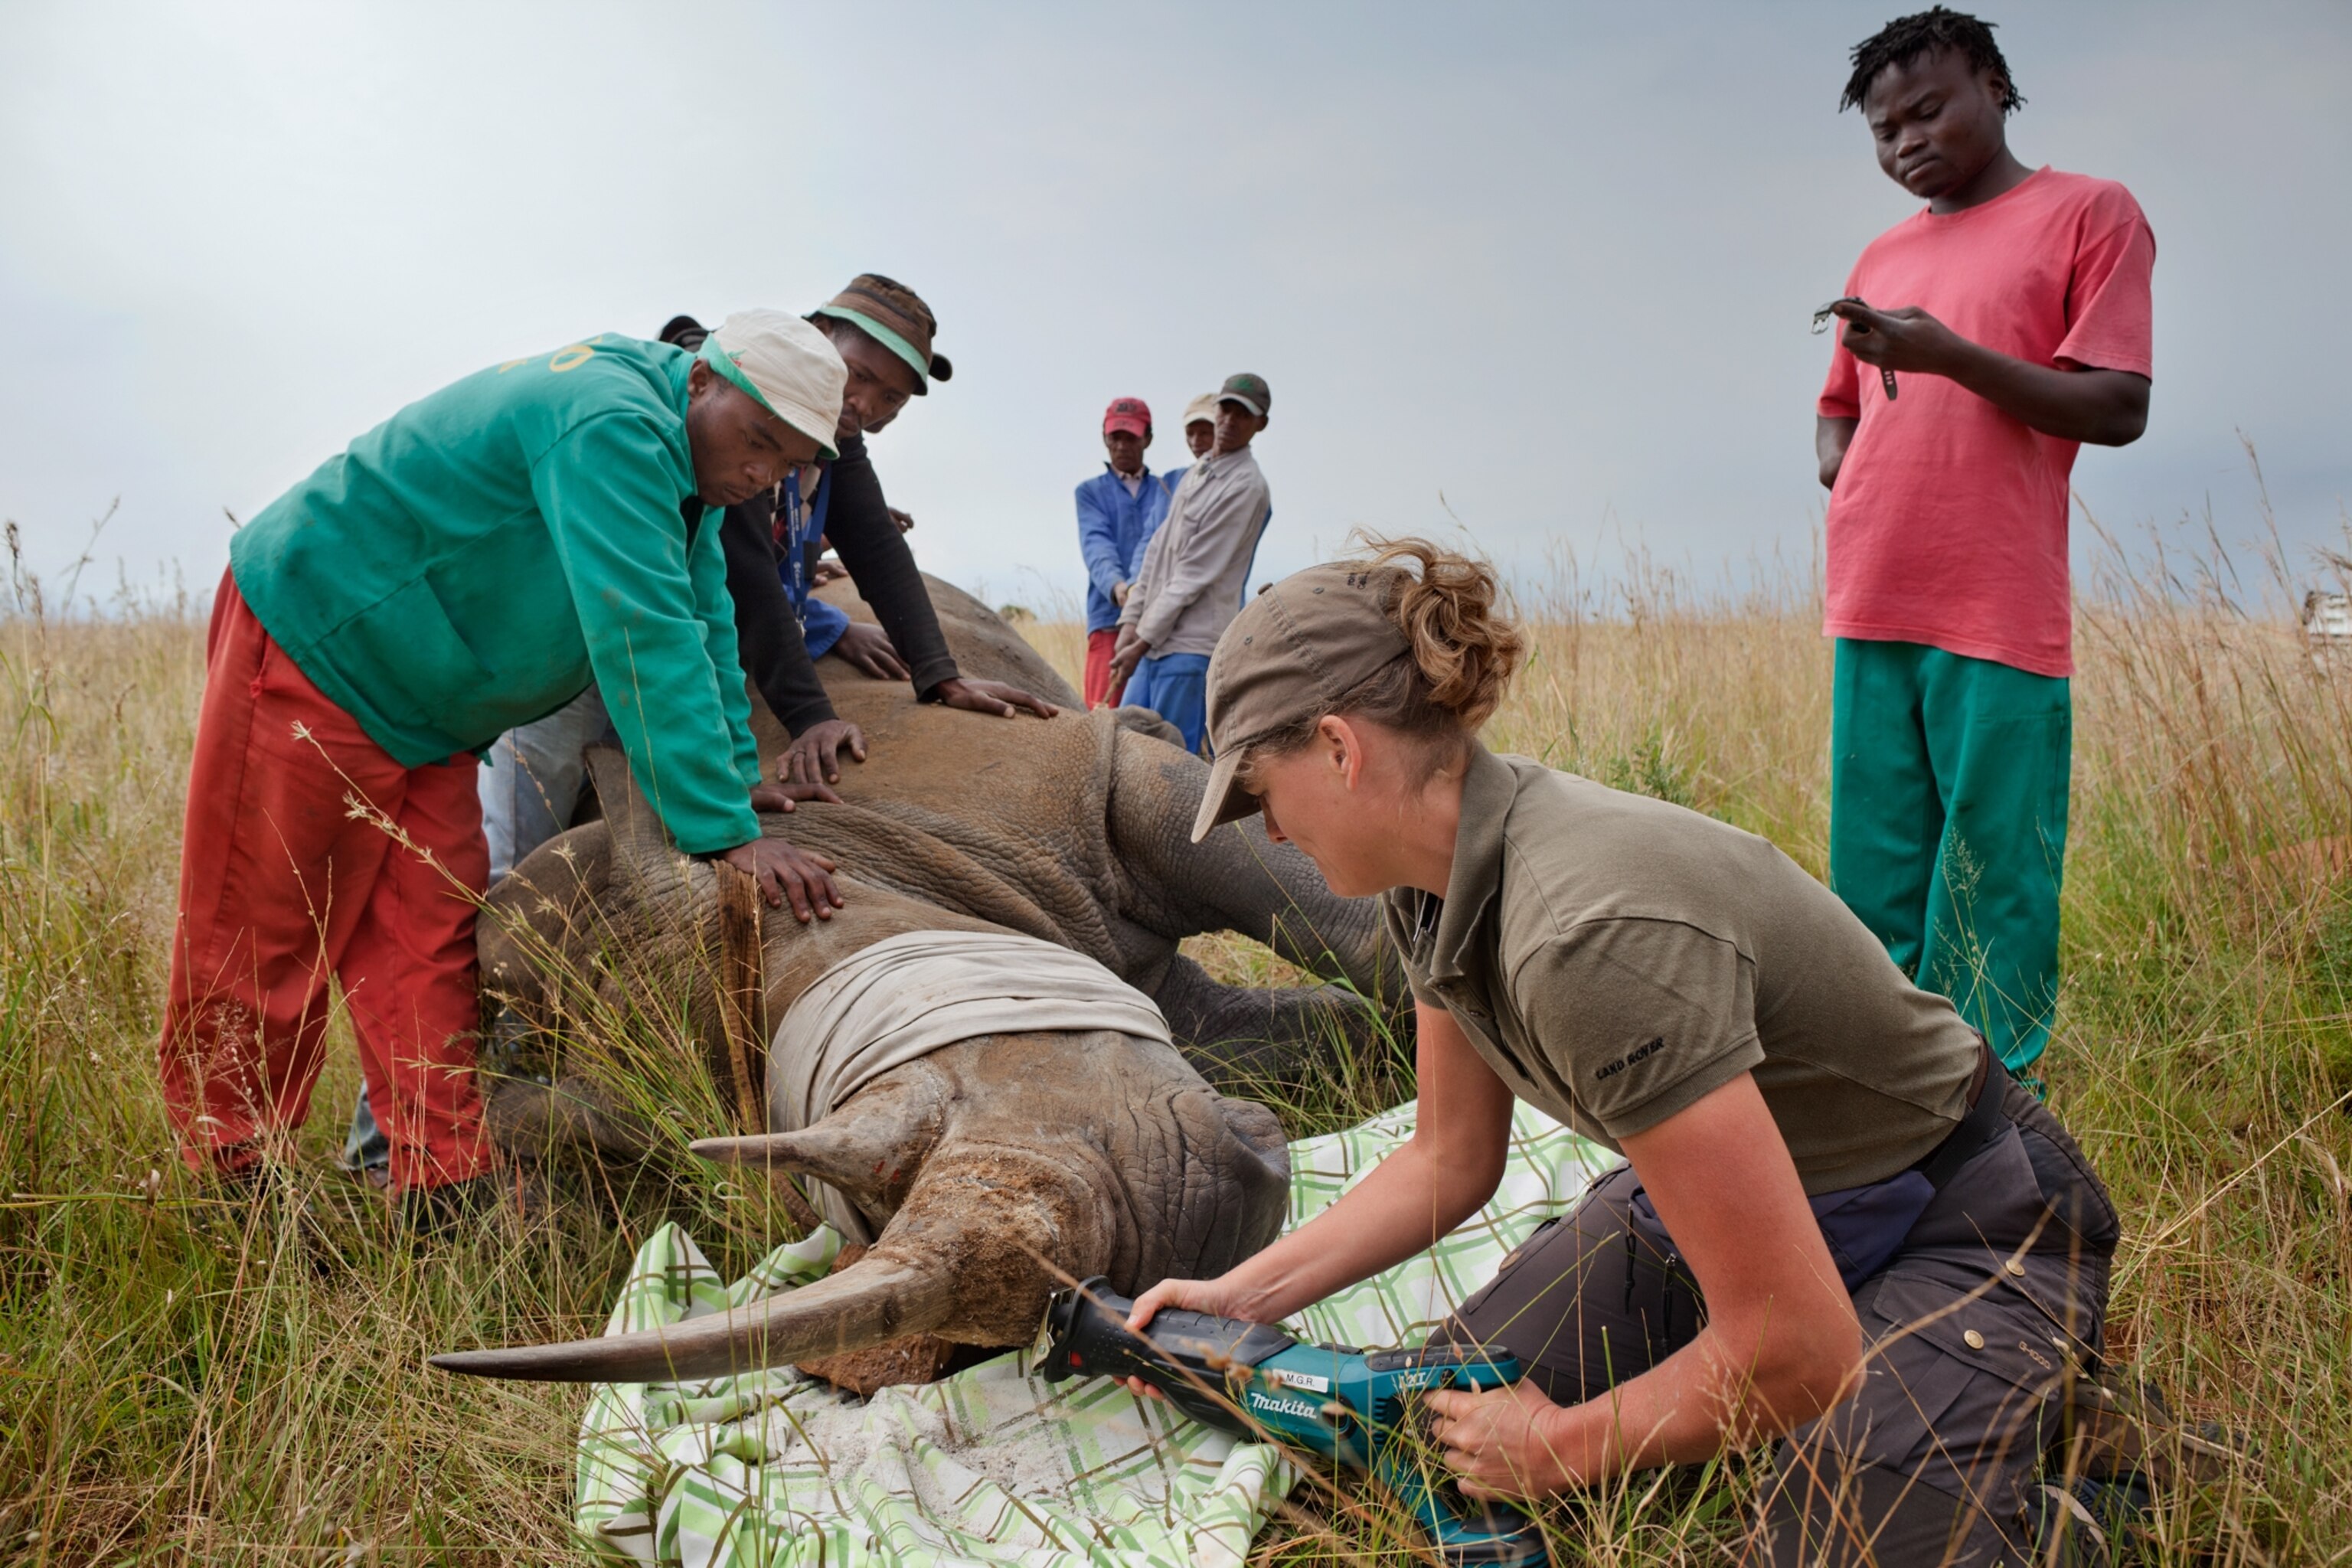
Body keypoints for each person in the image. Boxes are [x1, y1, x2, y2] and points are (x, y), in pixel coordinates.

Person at [1127, 542, 2119, 1564]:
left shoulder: (1584, 936)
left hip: (1962, 1212)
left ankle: (2072, 1476)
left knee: (1831, 1537)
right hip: (1761, 1204)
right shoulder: (1432, 883)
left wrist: (1559, 1449)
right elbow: (1448, 1159)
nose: (1274, 836)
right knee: (1446, 1420)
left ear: (1342, 749)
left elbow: (1796, 1347)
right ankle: (1920, 1410)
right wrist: (1244, 1297)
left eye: (1262, 794)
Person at [348, 281, 1058, 1181]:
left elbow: (799, 574)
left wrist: (934, 671)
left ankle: (561, 1076)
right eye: (862, 377)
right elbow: (688, 602)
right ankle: (409, 1128)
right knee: (506, 876)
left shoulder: (818, 440)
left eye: (889, 399)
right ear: (809, 338)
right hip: (579, 657)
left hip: (667, 662)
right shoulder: (698, 411)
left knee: (604, 881)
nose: (866, 407)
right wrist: (745, 792)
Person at [166, 313, 850, 1224]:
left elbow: (702, 614)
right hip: (323, 642)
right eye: (756, 439)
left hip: (429, 710)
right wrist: (725, 832)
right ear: (699, 382)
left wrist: (733, 772)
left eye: (789, 458)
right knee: (264, 924)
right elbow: (639, 626)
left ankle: (440, 1186)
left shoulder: (687, 463)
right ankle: (232, 1181)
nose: (763, 470)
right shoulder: (611, 420)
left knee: (434, 928)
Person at [1815, 8, 2152, 1085]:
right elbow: (1837, 404)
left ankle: (1996, 1119)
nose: (1907, 140)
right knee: (1874, 881)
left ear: (1995, 86)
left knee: (1995, 877)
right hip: (1871, 592)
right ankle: (1882, 1102)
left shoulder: (2089, 213)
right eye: (1884, 129)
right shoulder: (1882, 253)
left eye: (1928, 109)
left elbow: (2116, 405)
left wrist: (1950, 357)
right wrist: (1847, 460)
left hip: (1997, 604)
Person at [1107, 374, 1274, 751]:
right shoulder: (1196, 473)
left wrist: (1139, 641)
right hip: (1151, 643)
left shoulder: (1246, 487)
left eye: (1243, 415)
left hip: (1189, 648)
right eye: (1225, 409)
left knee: (1167, 764)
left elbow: (1193, 575)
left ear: (1260, 424)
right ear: (1216, 410)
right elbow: (1156, 551)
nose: (1230, 421)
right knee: (1125, 747)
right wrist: (1129, 624)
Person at [1075, 396, 1179, 708]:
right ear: (1104, 437)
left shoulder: (1168, 489)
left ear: (1147, 437)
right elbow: (1096, 545)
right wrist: (1121, 588)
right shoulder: (1090, 492)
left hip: (1162, 623)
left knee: (1158, 717)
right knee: (1103, 713)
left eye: (1130, 437)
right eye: (1114, 437)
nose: (1121, 445)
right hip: (1109, 617)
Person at [1178, 392, 1218, 462]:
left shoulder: (1242, 469)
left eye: (1204, 433)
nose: (1195, 442)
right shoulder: (1183, 473)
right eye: (1190, 433)